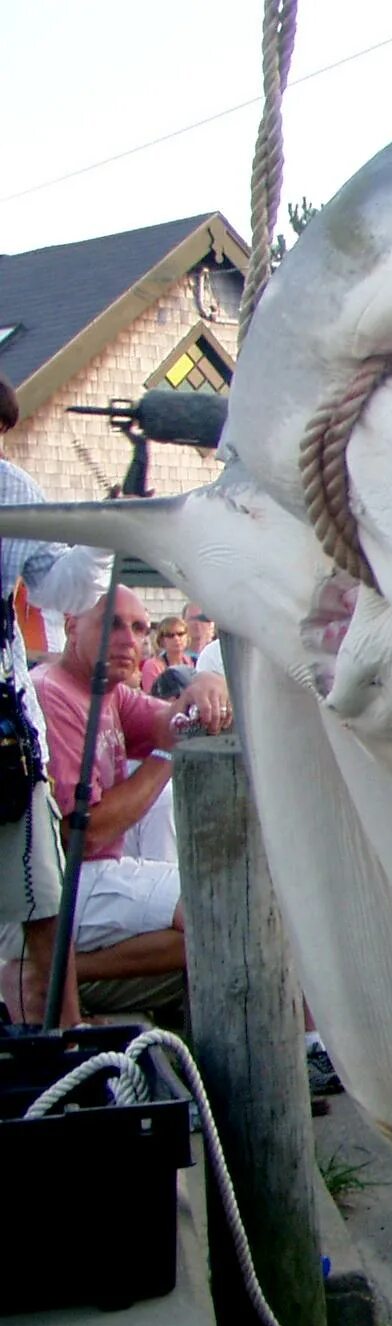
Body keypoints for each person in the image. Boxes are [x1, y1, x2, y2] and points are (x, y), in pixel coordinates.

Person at [33, 588, 232, 1000]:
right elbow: (82, 834)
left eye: (140, 627)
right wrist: (165, 756)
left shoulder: (108, 694)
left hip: (96, 878)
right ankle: (44, 974)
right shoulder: (52, 693)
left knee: (229, 907)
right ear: (71, 626)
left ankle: (56, 971)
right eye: (112, 625)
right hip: (62, 886)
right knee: (222, 908)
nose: (129, 639)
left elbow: (169, 720)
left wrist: (207, 681)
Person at [0, 376, 111, 1025]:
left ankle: (67, 1047)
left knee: (43, 904)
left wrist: (100, 532)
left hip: (6, 735)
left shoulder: (11, 489)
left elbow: (63, 592)